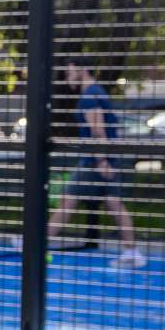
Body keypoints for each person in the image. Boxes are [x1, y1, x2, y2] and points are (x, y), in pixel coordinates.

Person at [46, 60, 145, 269]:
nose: (67, 76)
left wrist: (101, 160)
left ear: (83, 70)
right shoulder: (96, 93)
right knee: (113, 203)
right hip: (105, 157)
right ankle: (132, 252)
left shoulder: (90, 95)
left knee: (68, 201)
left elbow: (97, 130)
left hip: (94, 160)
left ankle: (36, 243)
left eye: (70, 71)